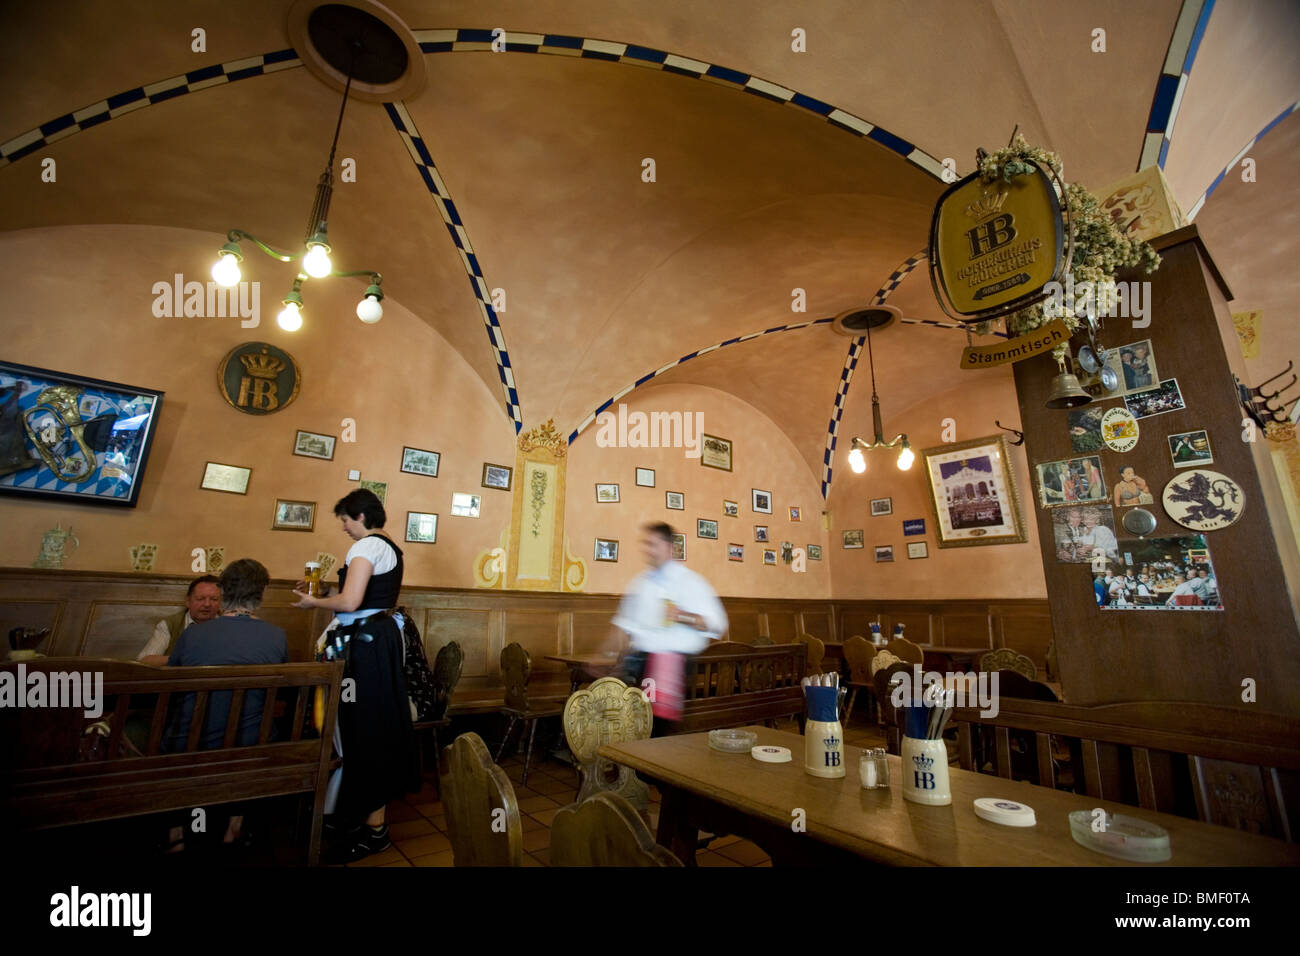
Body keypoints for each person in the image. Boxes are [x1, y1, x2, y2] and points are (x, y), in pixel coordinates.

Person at [292, 489, 419, 863]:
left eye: (346, 519)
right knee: (367, 728)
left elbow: (349, 604)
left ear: (360, 516)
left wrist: (313, 602)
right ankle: (359, 818)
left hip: (364, 646)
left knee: (362, 730)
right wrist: (324, 590)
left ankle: (371, 827)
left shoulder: (364, 548)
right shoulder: (386, 547)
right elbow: (359, 597)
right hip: (376, 641)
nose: (345, 527)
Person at [165, 558, 288, 850]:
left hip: (191, 743)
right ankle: (235, 823)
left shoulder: (191, 634)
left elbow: (171, 689)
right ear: (261, 595)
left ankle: (177, 831)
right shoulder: (277, 636)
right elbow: (280, 699)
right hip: (251, 743)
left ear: (224, 593)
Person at [610, 522, 727, 732]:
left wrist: (683, 616)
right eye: (646, 544)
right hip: (640, 662)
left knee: (657, 730)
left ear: (669, 547)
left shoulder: (691, 582)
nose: (647, 550)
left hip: (673, 666)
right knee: (640, 725)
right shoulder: (641, 583)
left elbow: (717, 624)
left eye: (653, 544)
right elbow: (624, 622)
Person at [137, 575, 221, 665]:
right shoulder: (170, 624)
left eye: (214, 599)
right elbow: (144, 660)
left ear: (221, 603)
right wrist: (182, 658)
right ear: (188, 601)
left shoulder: (228, 625)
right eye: (200, 599)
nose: (207, 604)